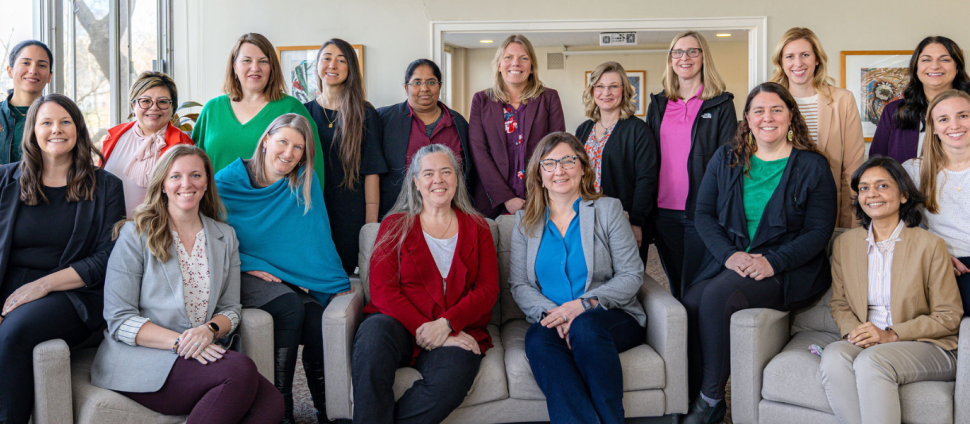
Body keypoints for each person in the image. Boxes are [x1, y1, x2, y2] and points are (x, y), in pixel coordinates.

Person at [90, 145, 283, 424]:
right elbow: (119, 319)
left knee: (271, 405)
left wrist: (209, 330)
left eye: (195, 175)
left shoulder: (225, 236)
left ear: (206, 183)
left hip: (199, 350)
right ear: (164, 185)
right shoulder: (135, 233)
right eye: (176, 176)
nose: (186, 184)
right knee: (239, 371)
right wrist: (183, 342)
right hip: (144, 357)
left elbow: (231, 308)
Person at [683, 82, 837, 424]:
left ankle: (710, 400)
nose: (767, 118)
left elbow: (818, 232)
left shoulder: (813, 166)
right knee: (690, 300)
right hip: (732, 259)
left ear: (791, 116)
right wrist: (728, 256)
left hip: (788, 269)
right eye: (759, 111)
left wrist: (772, 262)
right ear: (747, 119)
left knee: (718, 297)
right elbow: (703, 214)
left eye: (776, 110)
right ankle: (692, 391)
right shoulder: (727, 158)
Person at [215, 114, 351, 424]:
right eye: (283, 142)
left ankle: (326, 411)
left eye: (298, 147)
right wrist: (247, 266)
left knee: (318, 319)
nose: (289, 153)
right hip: (236, 271)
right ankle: (281, 410)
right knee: (290, 306)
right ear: (265, 141)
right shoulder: (226, 181)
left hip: (276, 274)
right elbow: (212, 239)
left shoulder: (303, 179)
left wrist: (334, 283)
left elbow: (316, 235)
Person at [0, 94, 125, 423]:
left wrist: (41, 286)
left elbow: (107, 257)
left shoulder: (106, 186)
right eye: (47, 122)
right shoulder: (4, 180)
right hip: (9, 284)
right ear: (33, 132)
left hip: (71, 293)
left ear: (78, 128)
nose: (56, 129)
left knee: (14, 332)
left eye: (65, 121)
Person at [352, 144, 497, 424]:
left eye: (446, 172)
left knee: (453, 378)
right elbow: (383, 290)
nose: (438, 180)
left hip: (457, 328)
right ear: (416, 182)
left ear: (457, 178)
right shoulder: (394, 224)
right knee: (372, 338)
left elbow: (487, 290)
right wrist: (427, 327)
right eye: (428, 173)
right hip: (399, 326)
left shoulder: (478, 227)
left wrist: (447, 325)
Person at [509, 132, 646, 424]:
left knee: (584, 328)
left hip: (609, 316)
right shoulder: (524, 221)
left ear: (582, 167)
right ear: (539, 174)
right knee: (537, 339)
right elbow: (519, 285)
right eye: (549, 164)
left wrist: (581, 306)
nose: (559, 170)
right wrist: (555, 314)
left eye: (568, 161)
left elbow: (632, 274)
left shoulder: (608, 210)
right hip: (552, 318)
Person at [820, 156, 962, 424]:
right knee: (834, 356)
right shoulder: (845, 244)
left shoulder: (930, 245)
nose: (871, 194)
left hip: (925, 345)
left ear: (904, 195)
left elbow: (948, 314)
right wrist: (856, 332)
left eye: (882, 185)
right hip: (869, 337)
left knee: (871, 361)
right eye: (863, 187)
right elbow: (839, 303)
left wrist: (891, 335)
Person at [645, 30, 737, 299]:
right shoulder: (658, 104)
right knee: (675, 284)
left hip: (703, 211)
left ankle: (700, 339)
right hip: (663, 212)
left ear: (703, 57)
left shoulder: (721, 103)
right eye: (678, 52)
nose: (684, 58)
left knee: (698, 284)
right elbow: (650, 158)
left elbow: (728, 162)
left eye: (692, 51)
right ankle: (679, 340)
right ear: (670, 59)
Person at [192, 33, 324, 186]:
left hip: (272, 207)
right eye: (247, 60)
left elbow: (314, 168)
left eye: (263, 61)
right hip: (215, 207)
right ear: (235, 66)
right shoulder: (212, 109)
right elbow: (194, 165)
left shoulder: (291, 108)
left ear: (272, 68)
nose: (255, 68)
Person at [304, 38, 386, 274]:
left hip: (351, 217)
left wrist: (370, 229)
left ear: (350, 68)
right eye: (327, 58)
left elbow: (372, 172)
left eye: (341, 60)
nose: (333, 65)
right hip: (313, 213)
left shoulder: (365, 113)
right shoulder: (303, 112)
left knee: (346, 281)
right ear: (317, 65)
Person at [769, 27, 865, 228]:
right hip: (777, 203)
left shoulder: (842, 100)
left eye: (805, 55)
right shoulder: (768, 101)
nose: (798, 63)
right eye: (790, 56)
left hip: (827, 204)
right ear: (781, 62)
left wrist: (850, 222)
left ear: (817, 59)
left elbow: (852, 167)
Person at [468, 34, 565, 218]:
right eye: (508, 57)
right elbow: (479, 152)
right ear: (498, 65)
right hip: (492, 201)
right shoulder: (481, 101)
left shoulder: (549, 98)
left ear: (531, 67)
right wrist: (506, 198)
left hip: (539, 198)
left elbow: (556, 149)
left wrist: (536, 196)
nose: (516, 63)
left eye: (523, 58)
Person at [575, 61, 658, 262]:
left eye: (614, 86)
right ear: (592, 91)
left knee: (625, 279)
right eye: (600, 86)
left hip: (624, 220)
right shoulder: (583, 129)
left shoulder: (638, 130)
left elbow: (647, 179)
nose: (606, 92)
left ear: (624, 91)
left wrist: (636, 223)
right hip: (586, 218)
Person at [378, 59, 472, 219]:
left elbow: (468, 173)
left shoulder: (458, 123)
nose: (424, 88)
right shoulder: (383, 119)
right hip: (398, 214)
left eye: (431, 82)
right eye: (417, 82)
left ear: (440, 86)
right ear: (406, 87)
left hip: (449, 214)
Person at [902, 89, 970, 312]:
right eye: (943, 119)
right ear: (933, 128)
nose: (955, 125)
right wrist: (934, 253)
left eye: (963, 115)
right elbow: (898, 226)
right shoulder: (914, 170)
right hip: (946, 264)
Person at [101, 71, 194, 216]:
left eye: (163, 102)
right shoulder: (114, 136)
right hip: (110, 230)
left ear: (172, 107)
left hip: (160, 231)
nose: (154, 107)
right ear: (133, 105)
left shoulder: (183, 145)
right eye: (145, 101)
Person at [871, 36, 970, 163]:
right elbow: (877, 163)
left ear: (957, 68)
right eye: (926, 60)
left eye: (945, 60)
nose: (935, 66)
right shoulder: (894, 111)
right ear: (916, 68)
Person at [0, 40, 52, 164]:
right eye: (25, 63)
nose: (33, 71)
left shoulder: (62, 117)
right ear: (10, 71)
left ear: (50, 76)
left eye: (42, 65)